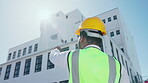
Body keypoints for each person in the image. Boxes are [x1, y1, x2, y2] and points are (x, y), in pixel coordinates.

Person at [50, 17, 130, 83]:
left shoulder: (73, 56)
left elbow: (53, 57)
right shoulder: (118, 66)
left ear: (82, 38)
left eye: (79, 36)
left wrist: (55, 50)